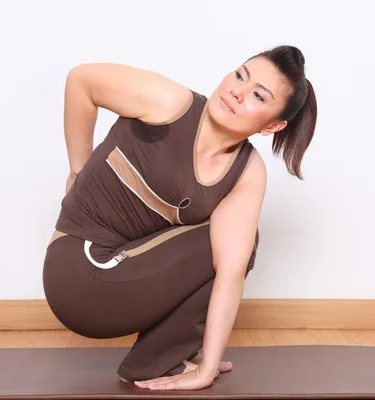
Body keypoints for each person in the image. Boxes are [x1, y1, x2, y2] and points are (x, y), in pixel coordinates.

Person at [42, 45, 317, 391]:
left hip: (125, 275)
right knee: (226, 241)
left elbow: (230, 275)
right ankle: (164, 357)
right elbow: (81, 81)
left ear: (273, 125)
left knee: (237, 244)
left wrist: (208, 368)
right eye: (239, 75)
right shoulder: (171, 103)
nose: (236, 91)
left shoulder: (247, 172)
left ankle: (156, 360)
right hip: (77, 274)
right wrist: (77, 171)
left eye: (258, 96)